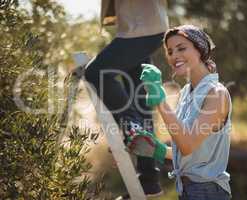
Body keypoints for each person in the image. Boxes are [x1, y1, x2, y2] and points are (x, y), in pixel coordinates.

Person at [128, 25, 232, 200]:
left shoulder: (217, 93)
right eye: (169, 51)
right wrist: (158, 150)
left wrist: (159, 99)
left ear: (200, 50)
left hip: (208, 192)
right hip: (187, 190)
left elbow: (188, 145)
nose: (174, 55)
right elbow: (190, 151)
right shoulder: (185, 93)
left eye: (181, 48)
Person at [84, 0, 169, 199]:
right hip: (140, 27)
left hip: (143, 28)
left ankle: (132, 127)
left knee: (97, 72)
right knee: (140, 100)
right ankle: (149, 181)